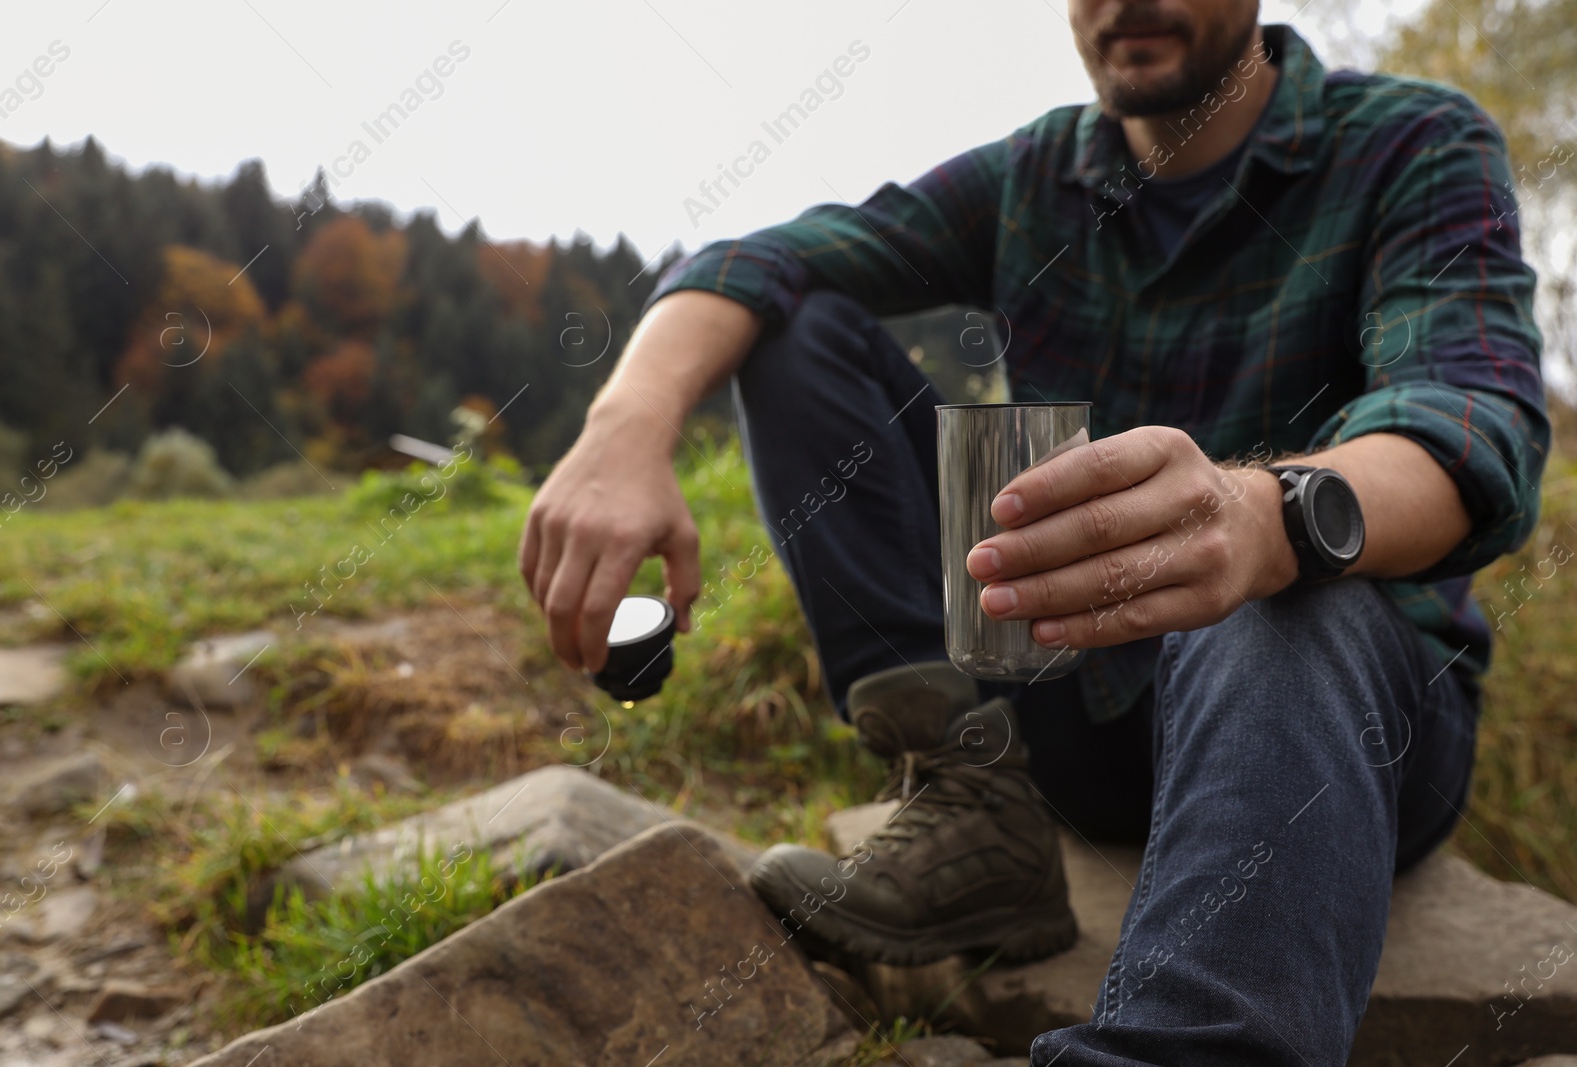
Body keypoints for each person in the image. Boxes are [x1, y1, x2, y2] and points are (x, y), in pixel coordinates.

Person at [518, 0, 1548, 1061]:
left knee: (1272, 608)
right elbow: (767, 258)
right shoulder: (1035, 177)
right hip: (1076, 708)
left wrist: (1269, 518)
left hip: (1340, 724)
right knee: (797, 329)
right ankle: (975, 806)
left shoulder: (1413, 141)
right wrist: (624, 426)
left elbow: (1470, 415)